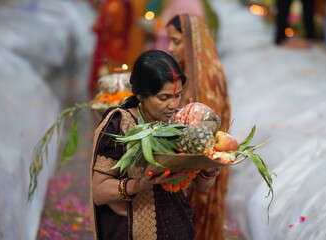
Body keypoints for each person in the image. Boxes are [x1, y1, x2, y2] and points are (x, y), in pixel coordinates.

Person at [90, 50, 222, 240]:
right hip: (130, 230)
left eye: (178, 95)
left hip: (176, 224)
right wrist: (138, 184)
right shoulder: (121, 124)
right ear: (142, 95)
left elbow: (203, 187)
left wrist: (211, 164)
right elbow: (99, 192)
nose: (174, 104)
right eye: (164, 97)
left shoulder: (182, 122)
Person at [166, 14, 231, 240]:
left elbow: (207, 134)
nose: (169, 48)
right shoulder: (185, 73)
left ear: (193, 42)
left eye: (176, 41)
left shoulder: (208, 79)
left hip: (202, 165)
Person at [87, 0, 148, 96]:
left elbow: (113, 27)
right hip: (110, 47)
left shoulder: (116, 5)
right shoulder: (113, 3)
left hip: (115, 48)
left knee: (114, 85)